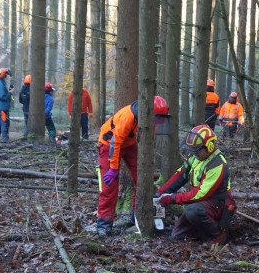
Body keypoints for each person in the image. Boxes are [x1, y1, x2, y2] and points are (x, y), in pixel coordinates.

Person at [96, 95, 170, 236]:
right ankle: (103, 224)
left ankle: (136, 215)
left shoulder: (150, 119)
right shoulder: (128, 117)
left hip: (129, 144)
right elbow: (115, 143)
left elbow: (150, 136)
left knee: (141, 177)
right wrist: (113, 168)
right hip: (109, 145)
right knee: (109, 186)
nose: (157, 122)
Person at [156, 124, 235, 247]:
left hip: (218, 204)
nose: (194, 153)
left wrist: (172, 198)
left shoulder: (217, 165)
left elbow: (200, 194)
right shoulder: (195, 158)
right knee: (177, 236)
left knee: (193, 211)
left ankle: (219, 235)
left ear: (209, 147)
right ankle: (201, 232)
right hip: (201, 204)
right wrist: (161, 192)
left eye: (197, 150)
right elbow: (180, 175)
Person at [0, 68, 14, 142]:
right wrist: (10, 93)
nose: (6, 76)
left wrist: (9, 91)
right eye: (6, 75)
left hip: (1, 106)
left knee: (0, 122)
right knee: (5, 122)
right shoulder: (0, 83)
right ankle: (5, 138)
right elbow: (2, 96)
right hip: (2, 106)